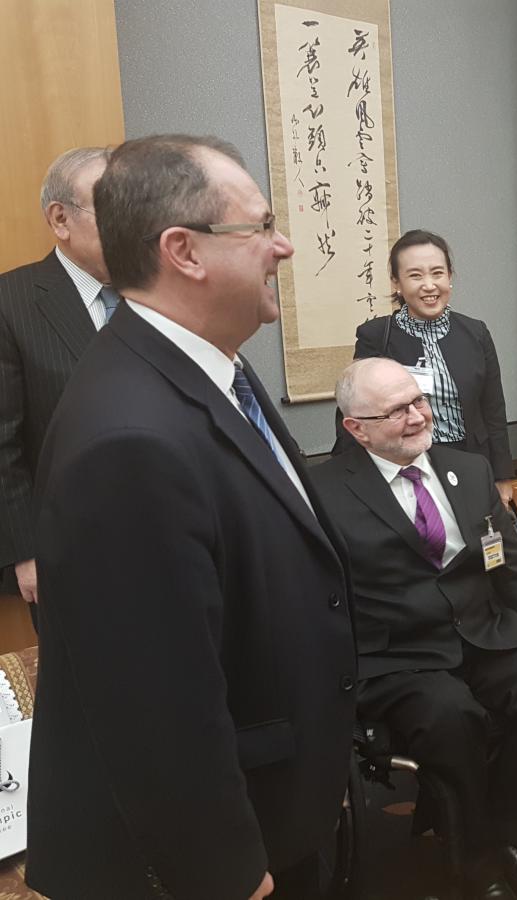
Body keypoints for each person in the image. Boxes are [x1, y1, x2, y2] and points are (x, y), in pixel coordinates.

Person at [26, 134, 357, 900]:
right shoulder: (129, 438)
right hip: (222, 859)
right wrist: (229, 875)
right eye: (260, 227)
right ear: (185, 251)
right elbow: (157, 706)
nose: (285, 245)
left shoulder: (211, 367)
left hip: (280, 801)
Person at [311, 357, 517, 900]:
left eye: (418, 401)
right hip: (400, 657)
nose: (416, 417)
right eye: (395, 411)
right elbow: (317, 600)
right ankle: (475, 860)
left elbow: (512, 566)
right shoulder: (323, 492)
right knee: (449, 715)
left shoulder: (469, 470)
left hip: (482, 631)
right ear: (355, 428)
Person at [0, 147, 115, 621]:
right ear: (60, 218)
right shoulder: (12, 301)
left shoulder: (157, 292)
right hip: (69, 551)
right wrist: (26, 552)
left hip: (174, 536)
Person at [332, 229, 517, 506]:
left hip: (469, 464)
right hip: (403, 465)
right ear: (397, 282)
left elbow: (494, 410)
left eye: (437, 273)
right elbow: (355, 412)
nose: (429, 285)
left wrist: (502, 476)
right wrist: (353, 481)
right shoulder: (376, 335)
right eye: (415, 275)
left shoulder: (476, 333)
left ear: (450, 276)